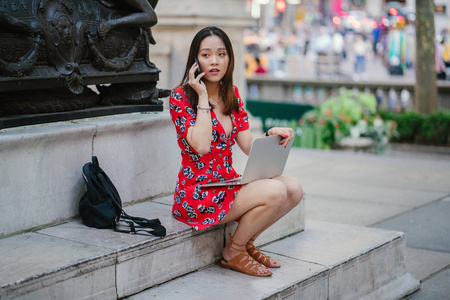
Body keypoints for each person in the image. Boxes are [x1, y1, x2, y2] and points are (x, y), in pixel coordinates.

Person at [169, 27, 303, 277]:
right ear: (195, 61)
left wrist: (272, 135)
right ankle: (234, 251)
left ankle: (247, 242)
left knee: (294, 188)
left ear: (229, 58)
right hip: (198, 194)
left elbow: (248, 144)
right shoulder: (180, 98)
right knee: (275, 190)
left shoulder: (231, 96)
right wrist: (201, 98)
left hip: (227, 185)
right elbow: (201, 145)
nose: (215, 61)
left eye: (221, 54)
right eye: (206, 55)